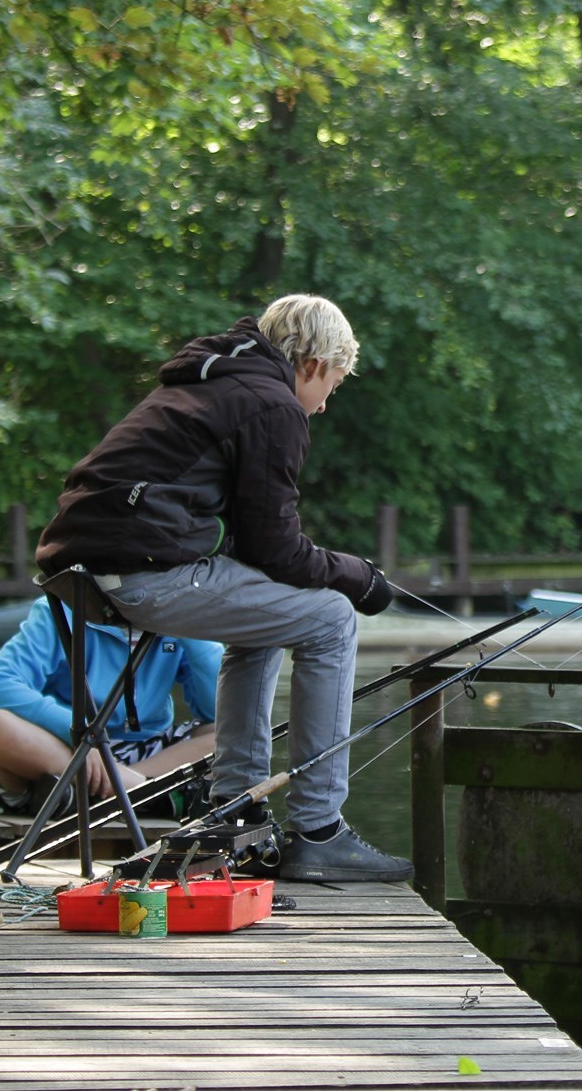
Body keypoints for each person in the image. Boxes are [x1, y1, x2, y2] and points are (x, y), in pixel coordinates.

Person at [35, 294, 407, 882]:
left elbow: (259, 554)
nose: (326, 404)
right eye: (332, 385)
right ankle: (318, 829)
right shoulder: (270, 403)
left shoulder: (208, 382)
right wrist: (360, 577)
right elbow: (278, 549)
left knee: (272, 609)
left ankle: (235, 805)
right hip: (142, 575)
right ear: (312, 365)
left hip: (88, 575)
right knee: (333, 616)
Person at [0, 597, 221, 818]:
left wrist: (193, 629)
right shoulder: (60, 610)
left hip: (149, 756)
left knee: (239, 733)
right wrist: (80, 731)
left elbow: (218, 712)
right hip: (68, 755)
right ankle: (145, 796)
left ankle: (122, 790)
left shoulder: (179, 616)